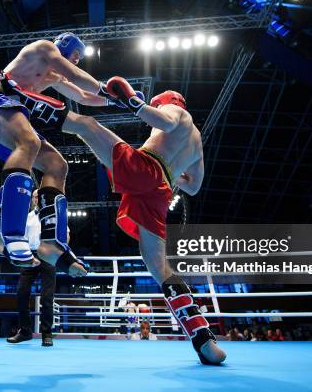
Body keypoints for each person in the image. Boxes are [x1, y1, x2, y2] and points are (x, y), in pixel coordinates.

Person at [61, 78, 226, 365]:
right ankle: (203, 338)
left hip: (146, 168)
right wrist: (176, 173)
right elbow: (194, 186)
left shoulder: (178, 113)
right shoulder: (197, 143)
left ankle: (25, 106)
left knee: (86, 125)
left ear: (166, 103)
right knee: (158, 266)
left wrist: (135, 104)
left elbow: (166, 122)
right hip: (161, 191)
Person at [0, 32, 134, 276]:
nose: (77, 61)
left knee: (57, 166)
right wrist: (108, 89)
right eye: (77, 55)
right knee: (29, 143)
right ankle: (11, 233)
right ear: (66, 46)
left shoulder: (53, 76)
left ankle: (49, 243)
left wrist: (120, 102)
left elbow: (82, 96)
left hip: (16, 115)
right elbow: (76, 76)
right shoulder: (44, 47)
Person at [1, 189, 57, 347]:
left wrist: (58, 251)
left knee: (47, 296)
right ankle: (25, 331)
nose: (36, 199)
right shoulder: (27, 218)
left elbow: (65, 234)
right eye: (34, 196)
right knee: (22, 292)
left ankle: (47, 334)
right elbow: (20, 239)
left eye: (38, 196)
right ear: (31, 200)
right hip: (30, 255)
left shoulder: (52, 215)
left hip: (48, 255)